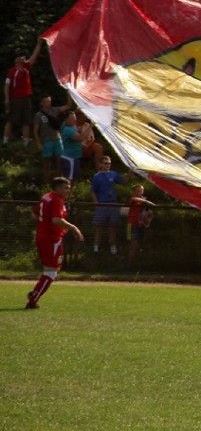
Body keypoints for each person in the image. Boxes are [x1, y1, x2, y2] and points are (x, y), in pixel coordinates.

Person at [25, 177, 84, 309]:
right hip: (51, 239)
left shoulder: (46, 197)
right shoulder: (56, 200)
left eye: (69, 188)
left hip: (43, 237)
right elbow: (56, 219)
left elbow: (35, 215)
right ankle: (33, 299)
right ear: (57, 188)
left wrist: (46, 226)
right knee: (51, 271)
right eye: (65, 188)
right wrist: (73, 228)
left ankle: (35, 292)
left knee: (51, 269)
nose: (68, 190)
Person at [4, 39, 42, 148]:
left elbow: (34, 56)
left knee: (26, 120)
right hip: (16, 98)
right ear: (16, 59)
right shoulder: (12, 72)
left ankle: (26, 142)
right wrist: (7, 99)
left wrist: (39, 43)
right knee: (11, 120)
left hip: (26, 97)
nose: (23, 57)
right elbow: (7, 86)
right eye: (20, 56)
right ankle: (5, 141)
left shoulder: (26, 68)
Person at [33, 94, 73, 184]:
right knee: (47, 164)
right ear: (42, 103)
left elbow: (69, 106)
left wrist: (68, 93)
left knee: (60, 162)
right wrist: (38, 143)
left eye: (50, 101)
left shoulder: (55, 110)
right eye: (47, 102)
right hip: (46, 141)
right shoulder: (38, 115)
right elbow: (35, 130)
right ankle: (46, 182)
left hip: (57, 139)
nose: (49, 103)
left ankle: (59, 183)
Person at [91, 155, 125, 255]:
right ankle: (96, 248)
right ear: (101, 164)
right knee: (99, 228)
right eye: (105, 163)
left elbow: (123, 181)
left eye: (109, 163)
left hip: (113, 204)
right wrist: (96, 203)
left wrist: (131, 172)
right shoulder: (97, 176)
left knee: (113, 227)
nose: (108, 165)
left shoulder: (113, 174)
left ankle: (113, 249)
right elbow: (93, 191)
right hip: (102, 204)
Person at [127, 184, 156, 266]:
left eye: (141, 191)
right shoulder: (133, 199)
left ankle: (135, 263)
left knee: (138, 246)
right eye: (138, 191)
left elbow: (148, 211)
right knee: (133, 245)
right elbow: (133, 199)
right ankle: (130, 265)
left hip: (141, 225)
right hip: (133, 224)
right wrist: (147, 201)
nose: (140, 192)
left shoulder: (143, 201)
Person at [59, 111, 89, 184]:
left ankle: (68, 194)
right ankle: (66, 195)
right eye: (72, 118)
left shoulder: (66, 125)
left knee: (73, 178)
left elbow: (68, 114)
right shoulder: (68, 130)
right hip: (69, 158)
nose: (75, 120)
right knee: (69, 180)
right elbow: (80, 138)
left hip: (73, 157)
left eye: (75, 118)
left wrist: (77, 110)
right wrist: (91, 126)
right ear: (66, 120)